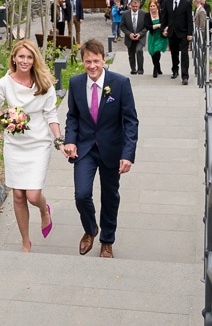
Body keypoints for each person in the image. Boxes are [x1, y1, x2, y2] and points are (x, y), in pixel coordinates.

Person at [61, 38, 138, 259]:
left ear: (104, 59)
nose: (92, 66)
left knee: (110, 196)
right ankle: (90, 228)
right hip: (85, 149)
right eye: (87, 62)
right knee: (81, 194)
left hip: (112, 149)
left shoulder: (120, 83)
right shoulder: (75, 83)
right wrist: (70, 140)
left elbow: (131, 121)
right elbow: (72, 116)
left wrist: (127, 154)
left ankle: (107, 241)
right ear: (82, 62)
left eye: (96, 61)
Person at [0, 39, 62, 252]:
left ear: (34, 60)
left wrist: (58, 137)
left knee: (32, 195)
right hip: (14, 145)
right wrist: (9, 120)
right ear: (14, 58)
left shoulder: (44, 83)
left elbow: (50, 113)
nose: (25, 61)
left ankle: (43, 209)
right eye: (21, 56)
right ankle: (25, 243)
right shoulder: (4, 84)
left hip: (39, 143)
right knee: (18, 195)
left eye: (29, 57)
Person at [162, 0, 194, 85]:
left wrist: (190, 33)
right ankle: (175, 70)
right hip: (172, 32)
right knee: (174, 53)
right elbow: (164, 18)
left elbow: (189, 19)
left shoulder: (186, 3)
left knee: (184, 54)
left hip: (183, 32)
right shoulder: (167, 3)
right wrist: (164, 29)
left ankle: (185, 76)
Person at [119, 0, 151, 75]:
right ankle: (133, 69)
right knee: (131, 53)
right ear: (130, 5)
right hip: (130, 37)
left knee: (139, 50)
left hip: (140, 37)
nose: (135, 8)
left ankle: (140, 69)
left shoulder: (144, 14)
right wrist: (129, 34)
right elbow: (122, 26)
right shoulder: (125, 14)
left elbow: (147, 26)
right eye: (133, 6)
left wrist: (140, 34)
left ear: (139, 5)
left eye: (136, 6)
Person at [146, 0, 168, 78]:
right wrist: (158, 25)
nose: (152, 8)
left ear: (157, 6)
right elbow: (147, 26)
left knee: (157, 51)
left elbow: (166, 22)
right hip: (152, 36)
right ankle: (158, 66)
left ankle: (155, 69)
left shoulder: (161, 13)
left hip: (160, 35)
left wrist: (165, 30)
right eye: (151, 6)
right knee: (152, 52)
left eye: (154, 6)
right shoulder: (147, 15)